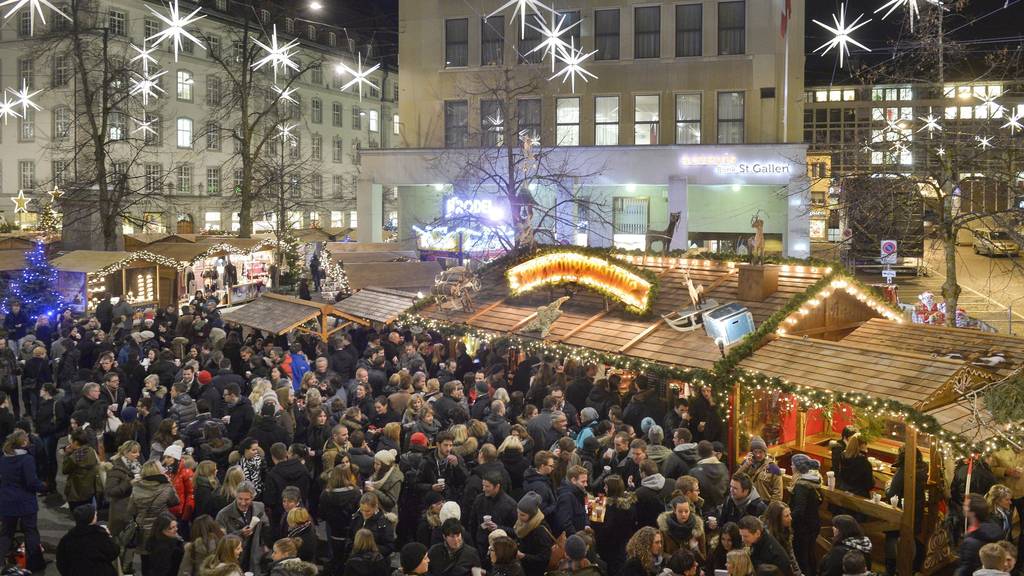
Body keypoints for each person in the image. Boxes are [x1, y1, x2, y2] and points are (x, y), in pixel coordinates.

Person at [0, 429, 46, 572]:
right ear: (24, 442)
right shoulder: (27, 459)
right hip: (25, 502)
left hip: (7, 501)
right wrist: (43, 486)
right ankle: (35, 564)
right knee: (30, 532)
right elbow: (31, 482)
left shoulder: (4, 458)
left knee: (7, 533)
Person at [215, 481, 270, 573]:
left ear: (253, 497)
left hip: (255, 558)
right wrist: (240, 533)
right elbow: (219, 540)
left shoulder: (260, 507)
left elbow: (266, 526)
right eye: (240, 499)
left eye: (247, 499)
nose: (243, 503)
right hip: (234, 560)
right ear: (236, 496)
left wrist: (264, 545)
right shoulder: (223, 514)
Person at [56, 503, 120, 576]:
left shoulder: (67, 538)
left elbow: (61, 562)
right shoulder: (99, 536)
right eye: (95, 514)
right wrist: (109, 536)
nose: (96, 516)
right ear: (91, 518)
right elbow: (114, 552)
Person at [789, 454, 823, 576]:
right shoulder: (814, 480)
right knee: (810, 553)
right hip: (814, 523)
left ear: (798, 468)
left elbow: (799, 510)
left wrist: (788, 520)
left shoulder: (801, 486)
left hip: (803, 528)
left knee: (802, 557)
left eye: (792, 464)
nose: (791, 466)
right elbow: (820, 500)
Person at [956, 494, 1006, 576]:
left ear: (972, 512)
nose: (963, 507)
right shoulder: (995, 527)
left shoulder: (971, 542)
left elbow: (965, 569)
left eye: (965, 505)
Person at [515, 491, 555, 576]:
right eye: (517, 513)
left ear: (532, 515)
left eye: (522, 515)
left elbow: (545, 557)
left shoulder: (540, 531)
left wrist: (523, 556)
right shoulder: (524, 524)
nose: (518, 517)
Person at [735, 437, 784, 503]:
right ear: (752, 453)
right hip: (748, 502)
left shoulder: (773, 468)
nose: (758, 455)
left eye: (760, 452)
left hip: (764, 504)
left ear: (765, 452)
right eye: (755, 452)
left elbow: (778, 494)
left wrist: (771, 510)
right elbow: (735, 479)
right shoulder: (746, 464)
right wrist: (747, 464)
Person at [63, 428, 101, 511]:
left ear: (76, 442)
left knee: (79, 516)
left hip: (75, 492)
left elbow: (64, 470)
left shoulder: (74, 457)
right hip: (90, 491)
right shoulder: (91, 451)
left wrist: (67, 454)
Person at [349, 492, 397, 558]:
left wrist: (371, 550)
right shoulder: (356, 517)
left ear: (375, 507)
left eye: (368, 511)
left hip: (374, 560)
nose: (364, 514)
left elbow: (389, 546)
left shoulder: (383, 523)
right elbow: (350, 537)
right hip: (356, 559)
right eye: (362, 510)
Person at [764, 501, 802, 576]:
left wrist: (798, 573)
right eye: (786, 516)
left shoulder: (786, 530)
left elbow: (791, 555)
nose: (791, 518)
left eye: (790, 514)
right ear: (777, 518)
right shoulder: (766, 535)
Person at [146, 512, 185, 576]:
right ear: (161, 530)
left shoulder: (170, 539)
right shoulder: (164, 548)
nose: (176, 529)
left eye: (176, 526)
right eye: (171, 528)